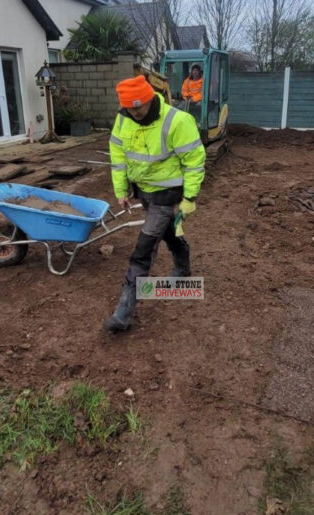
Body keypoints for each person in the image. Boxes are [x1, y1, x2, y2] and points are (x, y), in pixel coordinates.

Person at [104, 75, 206, 333]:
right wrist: (121, 189)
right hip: (144, 191)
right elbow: (117, 157)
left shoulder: (178, 121)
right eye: (130, 107)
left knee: (144, 247)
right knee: (168, 232)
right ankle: (183, 266)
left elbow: (194, 162)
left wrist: (190, 197)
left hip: (168, 194)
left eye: (139, 106)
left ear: (150, 98)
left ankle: (124, 312)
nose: (135, 112)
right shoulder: (123, 119)